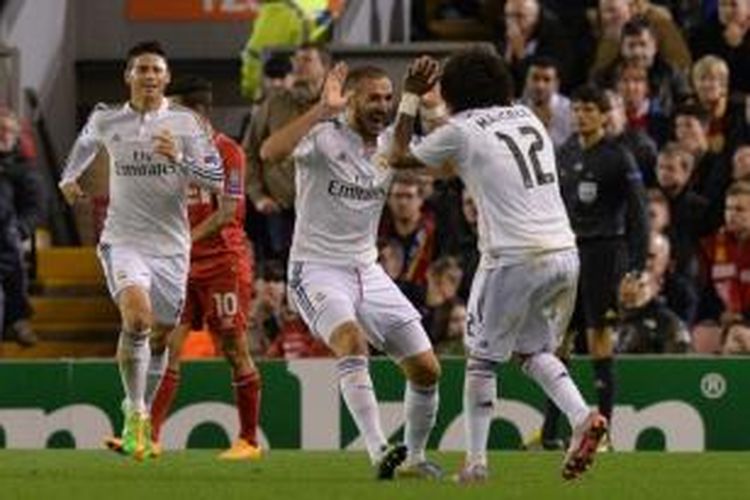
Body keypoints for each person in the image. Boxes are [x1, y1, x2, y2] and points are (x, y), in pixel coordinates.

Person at [389, 49, 605, 483]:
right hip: (564, 252)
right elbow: (460, 164)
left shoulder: (463, 129)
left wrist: (411, 98)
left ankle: (475, 464)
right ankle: (583, 416)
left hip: (513, 255)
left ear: (454, 93)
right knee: (533, 351)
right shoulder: (529, 119)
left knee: (482, 361)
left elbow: (398, 156)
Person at [260, 63, 442, 480]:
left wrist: (414, 99)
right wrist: (323, 109)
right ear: (353, 98)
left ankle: (413, 459)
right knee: (351, 340)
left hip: (367, 271)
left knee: (427, 369)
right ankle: (379, 450)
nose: (382, 105)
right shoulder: (324, 137)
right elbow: (270, 152)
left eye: (387, 98)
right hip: (316, 270)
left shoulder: (388, 143)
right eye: (373, 97)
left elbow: (405, 155)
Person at [58, 41, 224, 461]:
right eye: (142, 69)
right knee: (138, 320)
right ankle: (134, 411)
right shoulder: (107, 117)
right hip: (123, 240)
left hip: (171, 246)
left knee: (163, 335)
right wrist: (69, 177)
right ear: (128, 76)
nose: (149, 76)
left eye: (156, 70)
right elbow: (82, 147)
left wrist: (181, 160)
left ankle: (144, 409)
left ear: (166, 79)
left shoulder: (186, 123)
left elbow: (218, 179)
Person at [114, 75, 260, 460]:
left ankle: (248, 440)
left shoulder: (228, 152)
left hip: (222, 264)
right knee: (163, 343)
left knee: (232, 346)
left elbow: (228, 212)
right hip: (180, 267)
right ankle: (150, 436)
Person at [555, 84, 650, 450]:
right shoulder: (563, 153)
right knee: (559, 341)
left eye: (588, 109)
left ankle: (604, 432)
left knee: (598, 337)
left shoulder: (618, 156)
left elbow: (639, 215)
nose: (580, 115)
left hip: (604, 253)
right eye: (576, 108)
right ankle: (553, 434)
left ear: (603, 114)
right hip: (567, 254)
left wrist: (636, 268)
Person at [243, 44, 331, 264]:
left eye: (307, 60)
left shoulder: (339, 107)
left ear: (325, 67)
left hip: (326, 210)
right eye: (296, 60)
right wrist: (257, 195)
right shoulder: (274, 103)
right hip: (280, 211)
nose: (298, 66)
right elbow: (249, 151)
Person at [0, 108, 44, 347]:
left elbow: (36, 208)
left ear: (17, 136)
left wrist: (19, 230)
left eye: (7, 131)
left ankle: (16, 318)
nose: (3, 135)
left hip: (9, 236)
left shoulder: (24, 170)